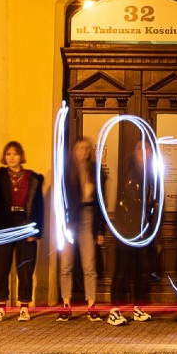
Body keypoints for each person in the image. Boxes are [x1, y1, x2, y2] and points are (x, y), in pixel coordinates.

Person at [0, 141, 44, 322]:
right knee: (1, 267)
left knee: (25, 267)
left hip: (25, 222)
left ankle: (24, 306)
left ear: (21, 156)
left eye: (15, 153)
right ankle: (0, 307)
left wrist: (36, 230)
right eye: (8, 154)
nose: (11, 157)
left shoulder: (33, 178)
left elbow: (39, 206)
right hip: (5, 224)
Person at [107, 140, 158, 326]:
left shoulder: (150, 174)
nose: (145, 153)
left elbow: (150, 201)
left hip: (142, 230)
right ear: (135, 152)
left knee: (142, 271)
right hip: (126, 231)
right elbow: (127, 203)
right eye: (141, 149)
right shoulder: (129, 172)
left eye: (148, 150)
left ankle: (138, 308)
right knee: (121, 271)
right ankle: (114, 311)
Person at [57, 138, 106, 322]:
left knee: (89, 264)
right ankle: (66, 304)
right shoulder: (66, 172)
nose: (83, 152)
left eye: (86, 149)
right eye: (79, 148)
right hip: (70, 219)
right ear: (73, 151)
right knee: (66, 264)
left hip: (88, 217)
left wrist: (100, 229)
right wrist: (64, 222)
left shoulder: (95, 172)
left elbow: (101, 202)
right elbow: (61, 199)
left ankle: (91, 305)